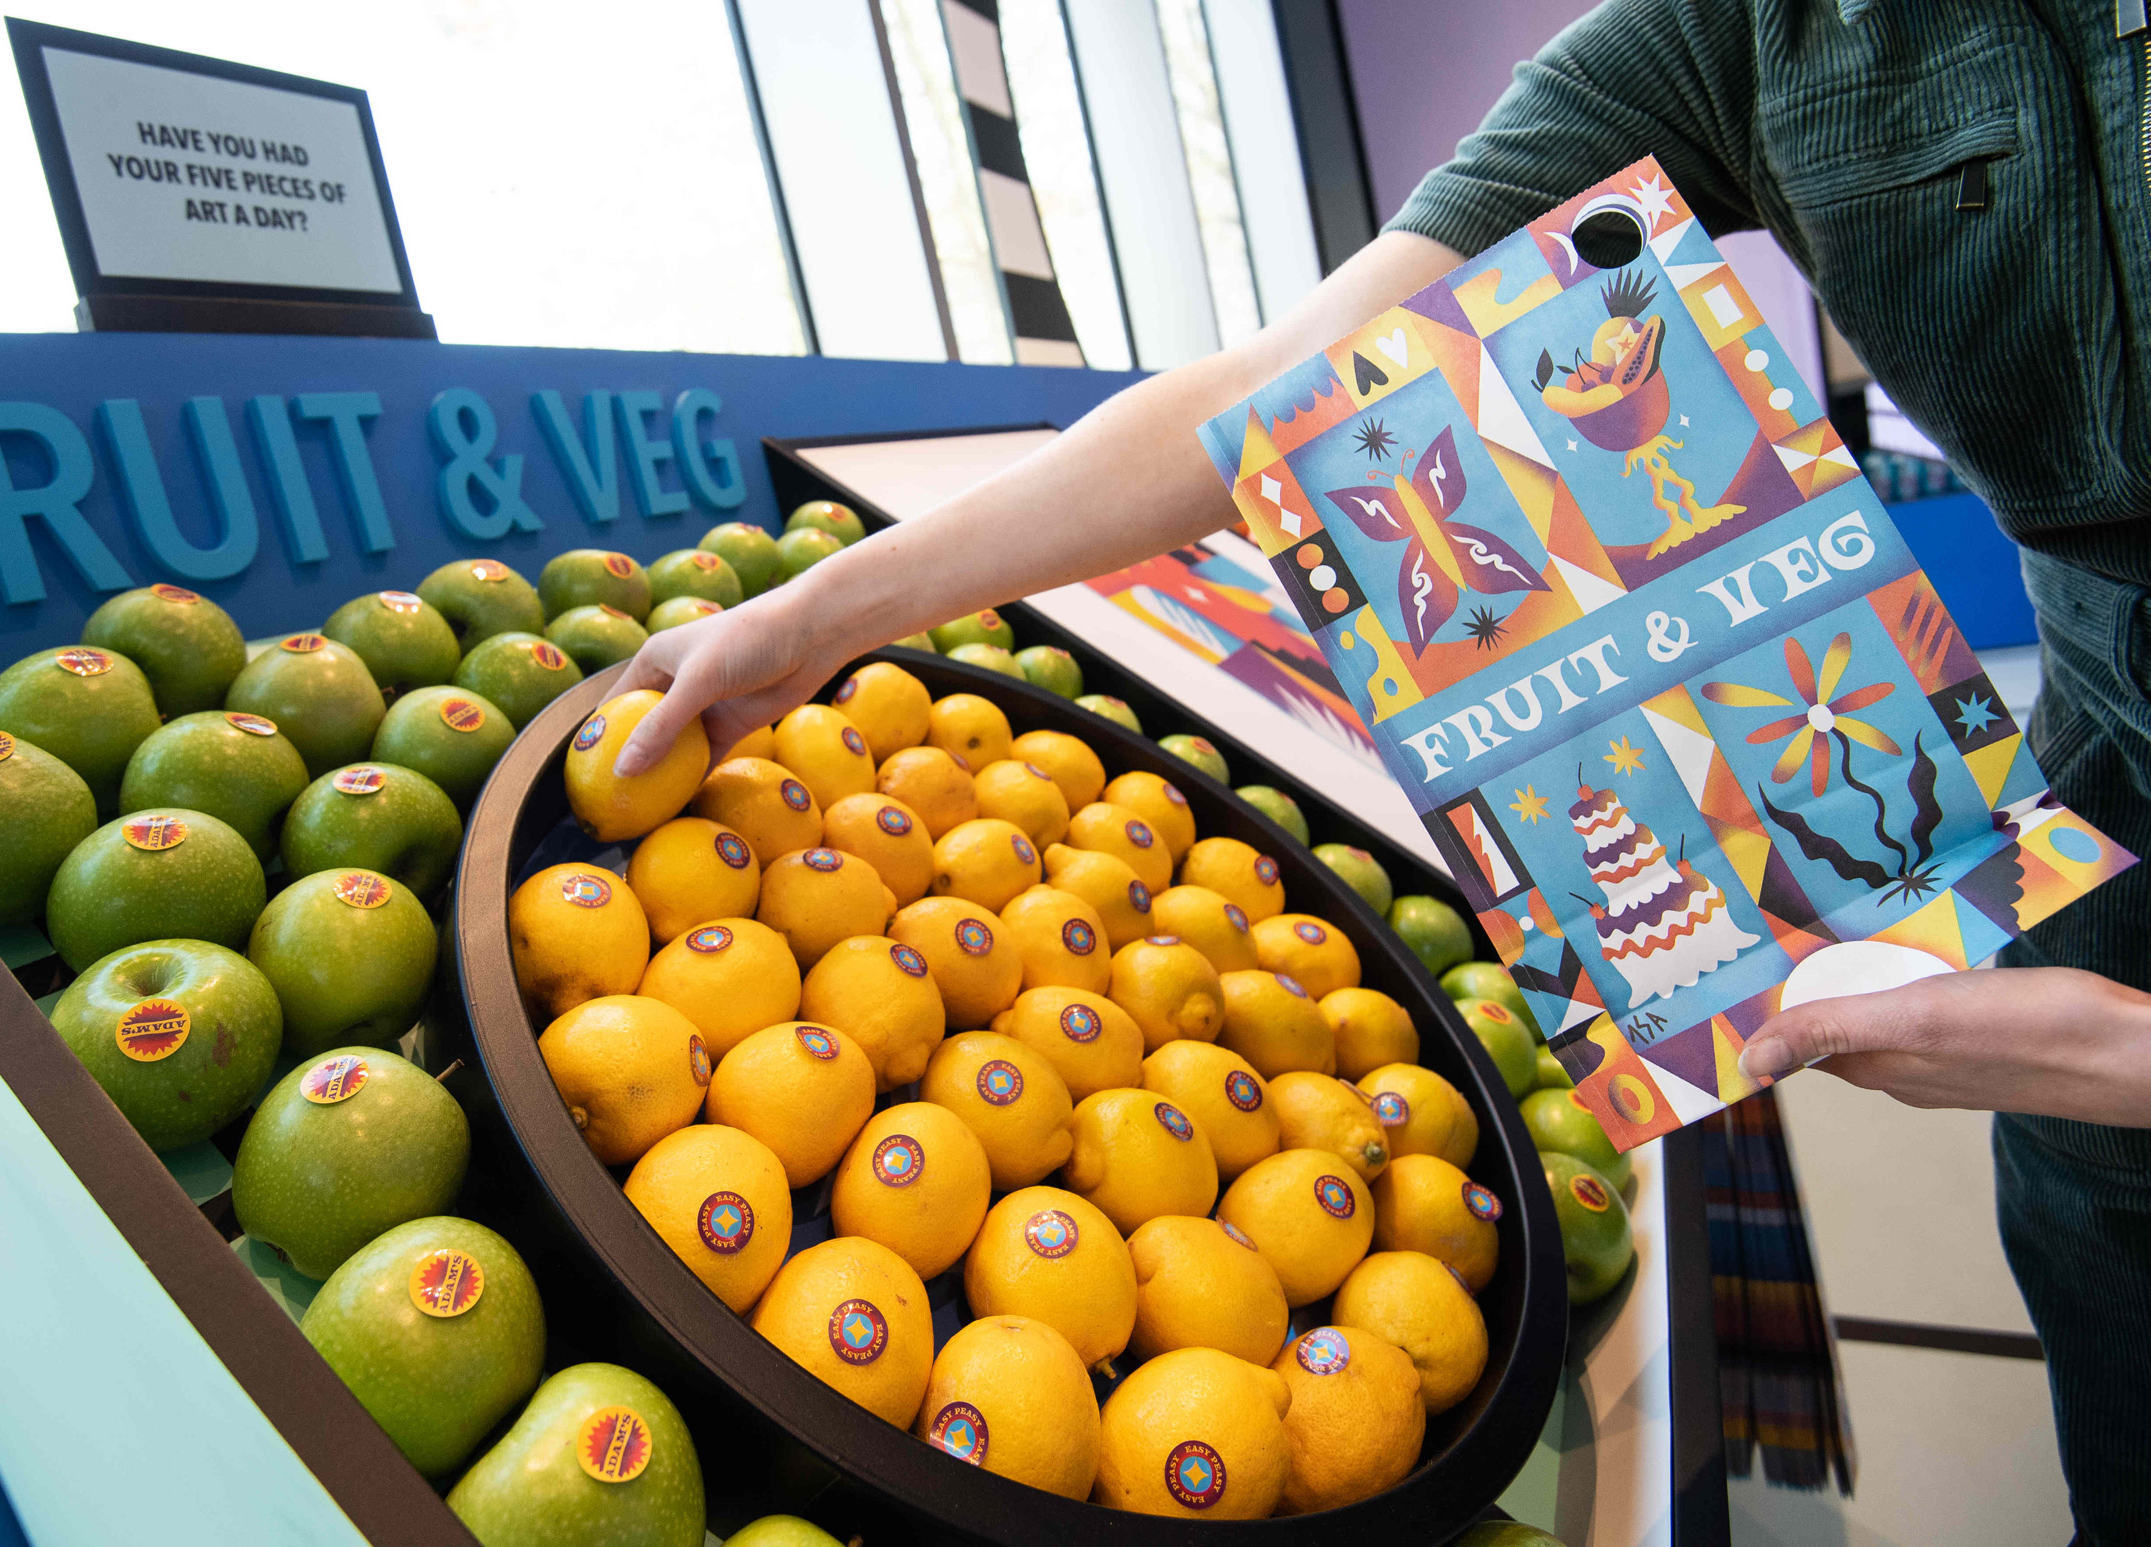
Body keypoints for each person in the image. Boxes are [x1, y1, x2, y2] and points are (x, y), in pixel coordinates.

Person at [616, 3, 2151, 1535]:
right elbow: (1286, 395)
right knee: (2099, 1232)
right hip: (2100, 713)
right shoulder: (1740, 31)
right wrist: (820, 611)